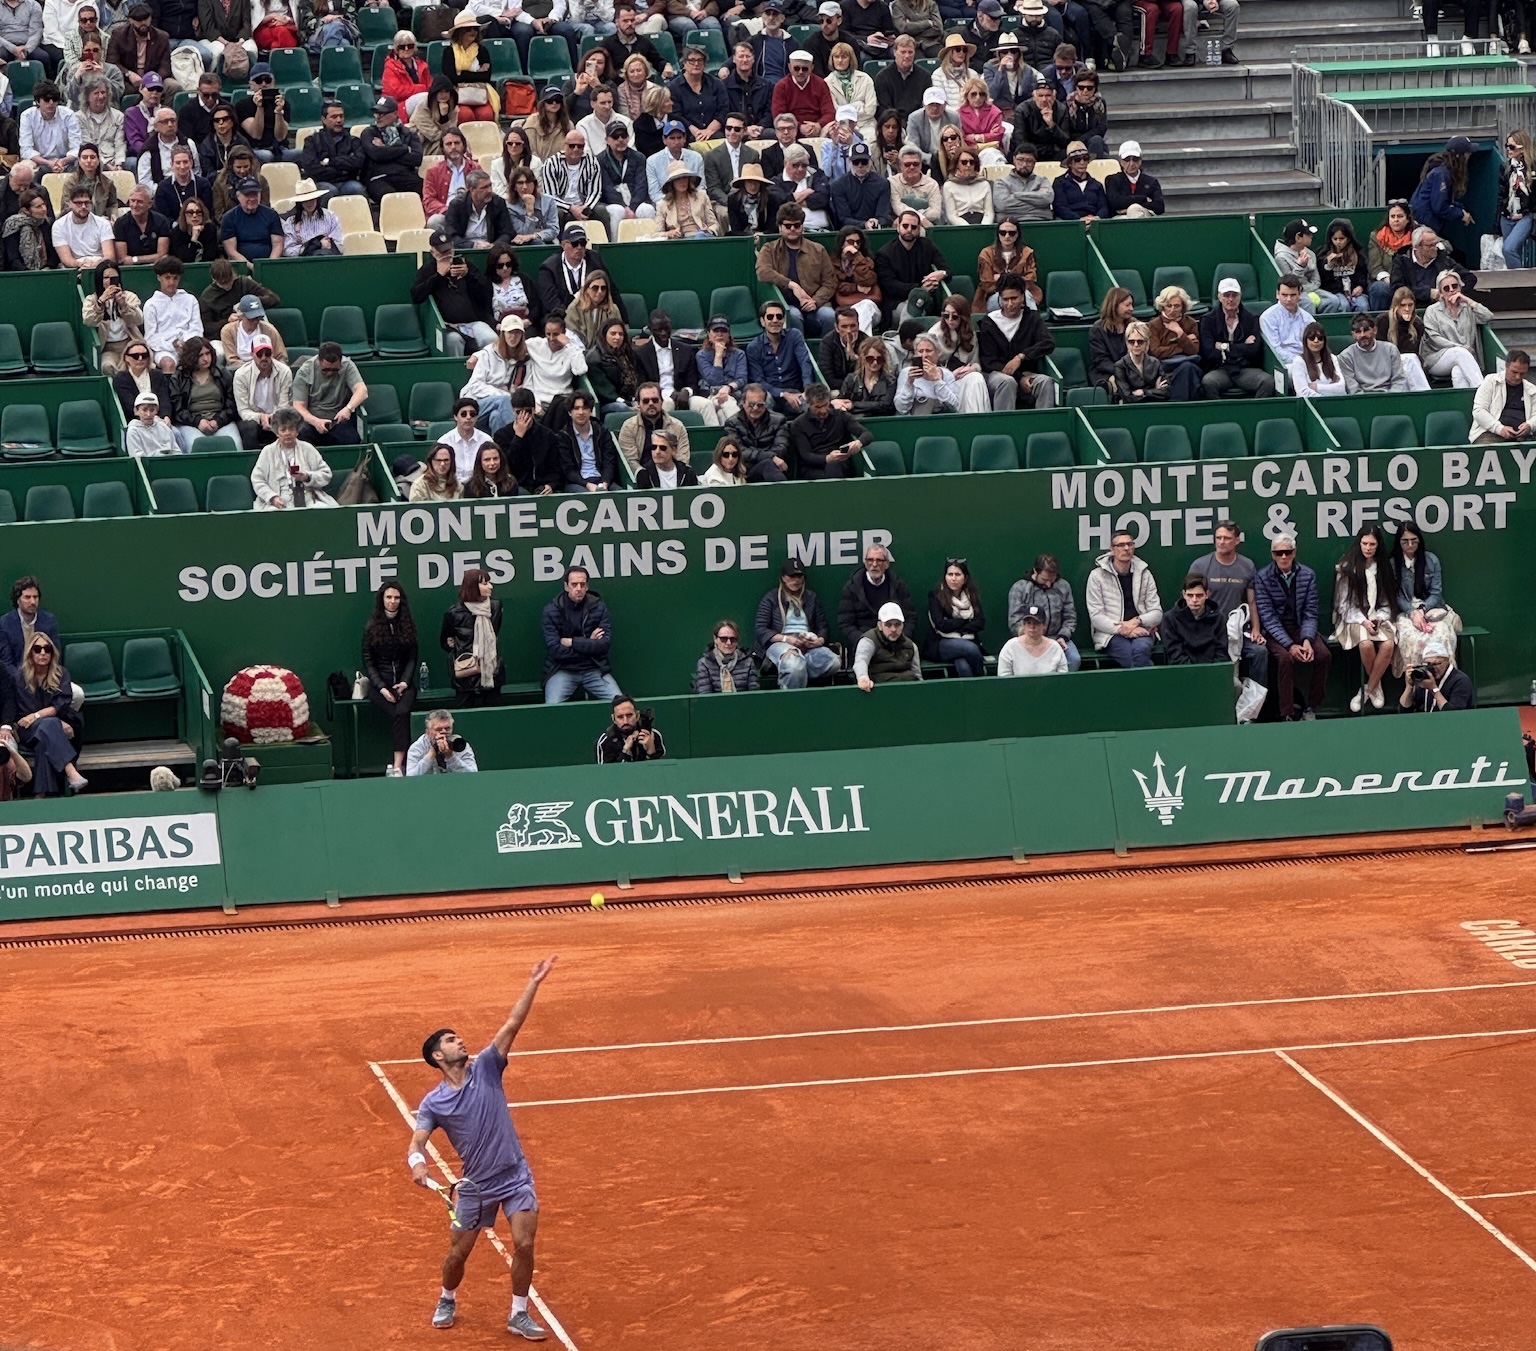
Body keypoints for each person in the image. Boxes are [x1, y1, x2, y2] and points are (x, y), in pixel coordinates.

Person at [408, 959, 558, 1338]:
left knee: (523, 1243)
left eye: (458, 1037)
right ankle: (447, 1296)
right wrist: (417, 1163)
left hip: (515, 1175)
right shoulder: (433, 1103)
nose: (460, 1041)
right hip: (475, 1187)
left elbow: (512, 1025)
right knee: (458, 1254)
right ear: (438, 1057)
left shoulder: (488, 1066)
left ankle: (518, 1313)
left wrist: (533, 983)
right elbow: (418, 1140)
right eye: (451, 1040)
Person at [1254, 533, 1331, 721]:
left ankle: (1311, 706)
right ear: (1272, 554)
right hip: (1275, 632)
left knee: (1323, 655)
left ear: (1294, 552)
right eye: (1278, 553)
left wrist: (1306, 640)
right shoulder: (1262, 577)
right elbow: (1268, 617)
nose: (1283, 557)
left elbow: (1310, 612)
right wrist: (1290, 645)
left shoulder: (1307, 574)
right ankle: (1286, 713)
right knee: (1285, 659)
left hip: (1300, 628)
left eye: (1287, 552)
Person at [1188, 518, 1268, 690]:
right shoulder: (1200, 565)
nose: (1221, 542)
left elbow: (1252, 600)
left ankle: (1254, 705)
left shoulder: (1247, 566)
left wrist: (1256, 629)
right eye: (1218, 538)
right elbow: (1191, 599)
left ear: (1237, 540)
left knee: (1260, 652)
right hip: (1209, 631)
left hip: (1239, 632)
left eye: (1226, 538)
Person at [1332, 524, 1397, 715]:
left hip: (1378, 616)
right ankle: (1376, 687)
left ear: (1378, 545)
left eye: (1372, 544)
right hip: (1353, 618)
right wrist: (1363, 620)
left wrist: (1379, 617)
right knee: (1366, 644)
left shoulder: (1384, 568)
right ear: (1359, 543)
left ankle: (1368, 689)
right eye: (1365, 543)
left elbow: (1387, 602)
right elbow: (1343, 604)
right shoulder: (1346, 567)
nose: (1368, 548)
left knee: (1388, 644)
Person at [14, 632, 87, 796]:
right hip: (28, 730)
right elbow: (27, 715)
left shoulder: (61, 674)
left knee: (45, 740)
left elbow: (61, 704)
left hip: (49, 728)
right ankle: (71, 771)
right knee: (49, 726)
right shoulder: (20, 677)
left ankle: (42, 794)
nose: (42, 653)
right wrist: (45, 719)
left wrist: (40, 716)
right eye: (37, 649)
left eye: (47, 649)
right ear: (30, 652)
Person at [1389, 516, 1460, 678]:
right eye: (1405, 541)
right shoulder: (1393, 564)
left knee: (1442, 634)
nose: (1410, 545)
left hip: (1432, 609)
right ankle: (1416, 683)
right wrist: (1412, 612)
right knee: (1411, 638)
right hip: (1406, 613)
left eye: (1414, 540)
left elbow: (1436, 593)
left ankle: (1443, 680)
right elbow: (1396, 596)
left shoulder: (1431, 560)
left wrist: (1422, 609)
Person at [362, 582, 420, 777]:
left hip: (405, 686)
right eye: (389, 597)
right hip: (380, 688)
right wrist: (381, 688)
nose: (392, 602)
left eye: (396, 598)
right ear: (382, 600)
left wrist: (404, 682)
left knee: (402, 713)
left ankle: (397, 765)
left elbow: (412, 658)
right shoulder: (372, 626)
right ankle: (404, 765)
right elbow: (368, 661)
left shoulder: (408, 625)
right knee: (398, 715)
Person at [976, 273, 1057, 410]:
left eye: (1014, 298)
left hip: (1027, 372)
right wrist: (1019, 378)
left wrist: (1021, 357)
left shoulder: (1032, 318)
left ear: (1023, 296)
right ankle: (1004, 426)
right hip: (997, 374)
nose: (1010, 304)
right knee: (1007, 382)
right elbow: (989, 361)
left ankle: (1045, 426)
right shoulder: (989, 323)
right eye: (1005, 299)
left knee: (1045, 382)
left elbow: (1047, 343)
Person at [755, 557, 839, 688]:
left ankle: (792, 672)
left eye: (799, 576)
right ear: (783, 577)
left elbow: (822, 626)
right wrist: (787, 639)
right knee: (794, 665)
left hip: (807, 643)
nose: (796, 580)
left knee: (833, 662)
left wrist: (818, 641)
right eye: (791, 576)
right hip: (781, 642)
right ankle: (790, 701)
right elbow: (761, 629)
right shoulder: (771, 598)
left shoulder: (811, 597)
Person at [542, 564, 619, 703]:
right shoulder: (551, 611)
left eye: (582, 584)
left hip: (594, 669)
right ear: (566, 586)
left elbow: (603, 645)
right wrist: (589, 643)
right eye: (574, 584)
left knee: (620, 704)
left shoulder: (599, 607)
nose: (579, 589)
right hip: (562, 670)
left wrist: (572, 642)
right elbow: (555, 651)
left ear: (587, 586)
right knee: (552, 708)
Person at [1086, 529, 1162, 668]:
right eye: (1121, 545)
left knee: (1140, 650)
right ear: (1112, 550)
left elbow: (1157, 612)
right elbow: (1096, 617)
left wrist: (1136, 622)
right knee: (1132, 657)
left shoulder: (1144, 574)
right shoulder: (1097, 576)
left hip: (1141, 630)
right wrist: (1123, 629)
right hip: (1110, 634)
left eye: (1130, 544)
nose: (1126, 548)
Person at [1199, 276, 1273, 398]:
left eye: (1234, 295)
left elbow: (1254, 350)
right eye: (1226, 295)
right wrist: (1243, 346)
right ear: (1219, 297)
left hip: (1244, 368)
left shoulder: (1251, 319)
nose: (1231, 299)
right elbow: (1209, 352)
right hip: (1220, 369)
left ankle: (1256, 414)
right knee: (1208, 382)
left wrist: (1224, 347)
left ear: (1240, 296)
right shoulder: (1208, 320)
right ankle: (1218, 415)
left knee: (1267, 382)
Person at [441, 567, 504, 706]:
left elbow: (495, 631)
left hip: (492, 673)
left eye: (489, 582)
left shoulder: (496, 607)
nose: (490, 586)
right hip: (466, 676)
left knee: (493, 716)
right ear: (473, 587)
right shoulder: (454, 613)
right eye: (485, 583)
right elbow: (445, 642)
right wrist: (464, 654)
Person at [251, 406, 336, 508]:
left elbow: (326, 474)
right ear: (277, 433)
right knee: (271, 514)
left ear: (297, 431)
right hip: (278, 501)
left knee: (322, 508)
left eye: (291, 429)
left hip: (308, 498)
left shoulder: (308, 448)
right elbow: (257, 479)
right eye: (283, 429)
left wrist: (307, 477)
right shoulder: (267, 452)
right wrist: (272, 497)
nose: (287, 433)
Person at [1007, 553, 1080, 671]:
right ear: (1036, 571)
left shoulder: (1063, 586)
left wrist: (1063, 636)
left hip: (1057, 638)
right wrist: (1033, 638)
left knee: (1074, 658)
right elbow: (1015, 620)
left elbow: (1070, 617)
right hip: (1030, 638)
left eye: (1052, 579)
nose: (1049, 584)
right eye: (1045, 579)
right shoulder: (1020, 588)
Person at [170, 335, 239, 453]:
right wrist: (198, 421)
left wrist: (218, 420)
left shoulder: (222, 373)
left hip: (220, 421)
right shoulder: (179, 377)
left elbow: (232, 405)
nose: (206, 358)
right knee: (195, 444)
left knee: (235, 443)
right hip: (191, 423)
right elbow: (177, 409)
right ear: (191, 357)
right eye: (200, 355)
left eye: (208, 354)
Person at [745, 297, 815, 415]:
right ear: (762, 321)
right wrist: (782, 394)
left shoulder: (794, 336)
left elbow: (805, 362)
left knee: (811, 407)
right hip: (769, 393)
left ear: (784, 320)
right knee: (762, 403)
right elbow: (759, 380)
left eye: (779, 316)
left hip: (795, 391)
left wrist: (807, 388)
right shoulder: (754, 347)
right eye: (770, 317)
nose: (775, 320)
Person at [1421, 269, 1489, 388]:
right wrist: (1460, 347)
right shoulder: (1432, 311)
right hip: (1438, 358)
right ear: (1441, 293)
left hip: (1466, 358)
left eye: (1455, 286)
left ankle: (1466, 403)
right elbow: (1434, 338)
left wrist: (1468, 300)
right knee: (1459, 353)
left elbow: (1487, 316)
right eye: (1446, 288)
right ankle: (1483, 391)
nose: (1452, 290)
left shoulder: (1467, 308)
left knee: (1458, 372)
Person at [838, 542, 912, 650]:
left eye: (879, 560)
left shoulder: (898, 586)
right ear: (865, 562)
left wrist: (898, 639)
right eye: (870, 560)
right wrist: (864, 642)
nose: (874, 564)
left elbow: (910, 618)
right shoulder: (852, 587)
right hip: (865, 645)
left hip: (895, 644)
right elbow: (845, 623)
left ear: (886, 564)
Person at [292, 342, 368, 446]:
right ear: (319, 360)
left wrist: (348, 408)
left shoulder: (347, 365)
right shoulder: (305, 370)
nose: (330, 373)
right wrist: (316, 422)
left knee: (351, 439)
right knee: (300, 437)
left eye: (334, 370)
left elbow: (362, 391)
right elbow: (298, 406)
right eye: (326, 370)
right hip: (311, 421)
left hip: (338, 420)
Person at [922, 557, 986, 677]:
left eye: (957, 574)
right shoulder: (936, 595)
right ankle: (982, 680)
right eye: (950, 574)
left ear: (965, 578)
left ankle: (972, 693)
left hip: (969, 639)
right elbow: (941, 625)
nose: (953, 578)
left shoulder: (972, 595)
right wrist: (967, 621)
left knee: (963, 666)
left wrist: (953, 623)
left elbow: (980, 622)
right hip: (941, 642)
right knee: (970, 649)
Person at [1387, 225, 1475, 309]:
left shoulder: (1443, 259)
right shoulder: (1402, 261)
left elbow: (1470, 278)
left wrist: (1456, 294)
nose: (1435, 248)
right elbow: (1397, 289)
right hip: (1412, 309)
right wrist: (1428, 293)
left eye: (1436, 244)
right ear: (1417, 247)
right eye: (1430, 246)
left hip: (1442, 310)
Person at [1273, 218, 1348, 315]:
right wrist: (1300, 266)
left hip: (1311, 289)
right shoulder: (1281, 257)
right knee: (1308, 303)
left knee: (1334, 301)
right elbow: (1289, 284)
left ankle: (1321, 327)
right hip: (1294, 293)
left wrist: (1309, 289)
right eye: (1308, 234)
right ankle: (1308, 329)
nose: (1311, 236)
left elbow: (1316, 281)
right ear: (1298, 238)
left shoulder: (1311, 254)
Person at [360, 95, 425, 206]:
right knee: (391, 199)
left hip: (405, 176)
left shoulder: (408, 133)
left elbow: (416, 159)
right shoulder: (369, 133)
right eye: (376, 113)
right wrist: (404, 149)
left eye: (382, 113)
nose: (378, 117)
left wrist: (385, 149)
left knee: (426, 189)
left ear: (395, 114)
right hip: (379, 178)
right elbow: (376, 155)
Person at [82, 258, 143, 376]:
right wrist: (101, 302)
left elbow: (138, 320)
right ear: (100, 280)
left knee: (141, 363)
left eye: (113, 277)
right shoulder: (92, 299)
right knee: (107, 366)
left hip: (129, 343)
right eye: (106, 278)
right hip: (108, 347)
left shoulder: (129, 297)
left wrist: (124, 305)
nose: (110, 281)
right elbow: (88, 320)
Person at [1409, 135, 1474, 246]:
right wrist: (1460, 214)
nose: (1470, 155)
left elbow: (1444, 201)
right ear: (1459, 155)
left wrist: (1460, 209)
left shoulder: (1443, 170)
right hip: (1423, 227)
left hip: (1425, 224)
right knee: (1445, 249)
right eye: (1468, 152)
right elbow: (1439, 207)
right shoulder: (1441, 174)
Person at [1112, 318, 1193, 403]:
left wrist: (1144, 392)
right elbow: (1128, 397)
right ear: (1126, 343)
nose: (1136, 345)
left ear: (1146, 343)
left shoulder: (1155, 363)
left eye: (1140, 342)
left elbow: (1166, 392)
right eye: (1131, 342)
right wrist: (1155, 391)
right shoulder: (1120, 366)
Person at [299, 100, 367, 201]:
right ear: (324, 119)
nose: (339, 120)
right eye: (334, 117)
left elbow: (358, 162)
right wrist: (342, 169)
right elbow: (311, 168)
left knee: (358, 189)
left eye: (341, 116)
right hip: (322, 182)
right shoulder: (312, 141)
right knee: (330, 191)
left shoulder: (353, 141)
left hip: (346, 181)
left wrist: (330, 162)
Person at [233, 334, 292, 448]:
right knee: (249, 428)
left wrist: (273, 418)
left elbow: (284, 405)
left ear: (273, 353)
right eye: (259, 354)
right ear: (252, 354)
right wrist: (260, 418)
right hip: (253, 420)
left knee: (291, 424)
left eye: (268, 353)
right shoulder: (241, 375)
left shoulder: (284, 371)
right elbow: (243, 410)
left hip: (278, 417)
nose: (264, 357)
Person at [723, 384, 791, 482]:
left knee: (768, 465)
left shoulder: (779, 420)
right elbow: (739, 450)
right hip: (745, 470)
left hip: (775, 467)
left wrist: (769, 458)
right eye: (751, 404)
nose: (755, 408)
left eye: (760, 405)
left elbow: (781, 447)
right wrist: (769, 456)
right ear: (743, 403)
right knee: (767, 463)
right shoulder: (732, 423)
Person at [441, 11, 500, 122]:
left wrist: (462, 74)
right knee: (465, 115)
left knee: (486, 115)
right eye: (468, 29)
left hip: (480, 94)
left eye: (475, 29)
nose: (473, 32)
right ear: (459, 32)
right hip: (458, 95)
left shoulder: (482, 51)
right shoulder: (449, 52)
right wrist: (477, 74)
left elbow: (486, 76)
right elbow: (451, 78)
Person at [559, 390, 622, 491]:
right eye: (576, 408)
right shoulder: (564, 436)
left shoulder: (602, 432)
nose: (581, 412)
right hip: (578, 483)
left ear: (590, 411)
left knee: (620, 494)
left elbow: (608, 462)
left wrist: (605, 483)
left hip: (602, 479)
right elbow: (568, 470)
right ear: (570, 412)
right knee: (587, 497)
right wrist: (588, 485)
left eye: (585, 408)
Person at [975, 219, 1040, 314]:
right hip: (994, 294)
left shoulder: (1027, 253)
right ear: (997, 234)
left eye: (1012, 233)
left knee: (1025, 296)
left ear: (1018, 234)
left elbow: (1030, 279)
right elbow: (987, 283)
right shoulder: (986, 254)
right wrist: (1016, 279)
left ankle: (1034, 324)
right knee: (1003, 299)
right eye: (1002, 233)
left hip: (1021, 293)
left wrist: (1001, 278)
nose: (1007, 236)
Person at [1161, 573, 1227, 665]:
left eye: (1199, 595)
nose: (1194, 600)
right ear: (1184, 594)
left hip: (1212, 673)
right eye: (1190, 595)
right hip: (1182, 672)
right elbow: (1174, 652)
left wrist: (1211, 672)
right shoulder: (1170, 619)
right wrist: (1194, 672)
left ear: (1207, 594)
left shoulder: (1219, 618)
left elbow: (1221, 651)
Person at [1338, 313, 1411, 395]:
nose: (1362, 335)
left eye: (1366, 330)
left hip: (1390, 397)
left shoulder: (1390, 349)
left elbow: (1399, 380)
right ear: (1353, 335)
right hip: (1362, 401)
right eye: (1358, 332)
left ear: (1375, 330)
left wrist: (1391, 398)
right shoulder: (1345, 357)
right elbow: (1352, 387)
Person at [1473, 348, 1536, 443]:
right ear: (1506, 367)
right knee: (1486, 447)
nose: (1518, 377)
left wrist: (1530, 425)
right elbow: (1478, 411)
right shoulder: (1490, 381)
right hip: (1490, 433)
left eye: (1522, 373)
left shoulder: (1531, 389)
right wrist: (1499, 428)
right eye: (1514, 372)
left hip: (1524, 436)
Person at [854, 601, 921, 689]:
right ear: (880, 625)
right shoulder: (868, 641)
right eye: (888, 625)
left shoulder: (911, 646)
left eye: (897, 625)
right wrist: (863, 678)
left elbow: (918, 675)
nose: (893, 629)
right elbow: (861, 661)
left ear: (903, 625)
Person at [1398, 638, 1475, 713]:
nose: (1433, 668)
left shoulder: (1461, 681)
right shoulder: (1423, 677)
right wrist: (1409, 687)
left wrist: (1434, 689)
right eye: (1428, 664)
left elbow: (1453, 714)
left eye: (1436, 664)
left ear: (1447, 661)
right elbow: (1404, 710)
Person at [220, 174, 284, 262]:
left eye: (255, 194)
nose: (252, 198)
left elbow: (278, 244)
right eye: (247, 195)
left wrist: (268, 265)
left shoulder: (271, 215)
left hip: (267, 265)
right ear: (238, 196)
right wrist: (253, 267)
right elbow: (231, 252)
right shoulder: (229, 218)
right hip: (241, 266)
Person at [695, 315, 746, 425]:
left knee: (722, 416)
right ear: (709, 334)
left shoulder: (739, 354)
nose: (719, 334)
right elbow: (714, 381)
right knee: (727, 401)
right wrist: (718, 356)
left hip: (733, 395)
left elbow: (742, 379)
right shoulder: (701, 355)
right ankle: (743, 429)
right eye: (715, 330)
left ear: (728, 335)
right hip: (710, 396)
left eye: (723, 331)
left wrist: (729, 387)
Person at [50, 180, 115, 266]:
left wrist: (95, 265)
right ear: (70, 204)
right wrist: (81, 265)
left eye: (87, 203)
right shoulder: (59, 225)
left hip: (100, 266)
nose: (83, 206)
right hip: (74, 268)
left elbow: (109, 256)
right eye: (78, 203)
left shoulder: (103, 223)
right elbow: (66, 259)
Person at [1367, 199, 1416, 308]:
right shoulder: (1377, 236)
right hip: (1387, 281)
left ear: (1408, 219)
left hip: (1411, 281)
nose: (1396, 220)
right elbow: (1375, 268)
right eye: (1393, 217)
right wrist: (1389, 279)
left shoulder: (1417, 234)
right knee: (1379, 289)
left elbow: (1445, 245)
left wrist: (1434, 244)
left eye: (1400, 216)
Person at [1258, 274, 1314, 368]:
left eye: (1293, 295)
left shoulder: (1308, 318)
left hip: (1307, 362)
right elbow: (1276, 350)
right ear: (1277, 294)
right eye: (1284, 295)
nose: (1288, 299)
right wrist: (1300, 361)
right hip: (1284, 365)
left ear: (1299, 294)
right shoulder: (1268, 317)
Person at [112, 341, 174, 422]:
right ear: (126, 358)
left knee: (176, 433)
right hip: (136, 422)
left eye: (144, 355)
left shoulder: (157, 375)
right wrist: (150, 417)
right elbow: (129, 405)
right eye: (135, 356)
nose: (140, 359)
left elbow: (164, 399)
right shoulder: (121, 378)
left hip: (160, 420)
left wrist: (166, 416)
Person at [997, 605, 1068, 676]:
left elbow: (1062, 678)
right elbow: (1004, 678)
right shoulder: (1010, 647)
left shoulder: (1055, 648)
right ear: (1024, 625)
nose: (1032, 627)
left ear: (1044, 625)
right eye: (1029, 623)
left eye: (1036, 623)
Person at [405, 708, 480, 775]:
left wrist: (450, 756)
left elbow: (472, 774)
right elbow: (411, 776)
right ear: (428, 732)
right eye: (438, 729)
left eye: (447, 728)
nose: (443, 732)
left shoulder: (459, 744)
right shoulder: (417, 747)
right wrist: (431, 755)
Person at [1318, 217, 1369, 313]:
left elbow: (1363, 274)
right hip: (1336, 292)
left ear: (1349, 238)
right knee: (1343, 306)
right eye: (1335, 239)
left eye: (1341, 238)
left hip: (1355, 291)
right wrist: (1328, 266)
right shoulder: (1323, 255)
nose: (1338, 242)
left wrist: (1361, 287)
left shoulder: (1358, 254)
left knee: (1362, 305)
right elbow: (1323, 281)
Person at [221, 293, 287, 368]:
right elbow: (232, 360)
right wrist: (251, 371)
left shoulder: (269, 330)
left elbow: (281, 357)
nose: (255, 321)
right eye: (251, 319)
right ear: (241, 316)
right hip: (239, 372)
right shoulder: (228, 331)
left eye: (258, 318)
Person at [1500, 129, 1534, 269]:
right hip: (1507, 215)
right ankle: (1517, 286)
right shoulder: (1506, 167)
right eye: (1507, 146)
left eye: (1512, 146)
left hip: (1525, 215)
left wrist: (1528, 210)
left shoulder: (1532, 167)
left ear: (1522, 148)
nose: (1508, 149)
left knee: (1508, 249)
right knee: (1514, 251)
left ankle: (1518, 285)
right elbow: (1501, 194)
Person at [694, 618, 758, 692]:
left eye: (733, 639)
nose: (728, 643)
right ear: (715, 639)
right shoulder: (704, 663)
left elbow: (753, 693)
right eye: (723, 639)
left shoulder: (748, 662)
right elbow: (704, 694)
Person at [595, 693, 665, 761]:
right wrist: (625, 751)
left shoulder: (653, 735)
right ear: (614, 719)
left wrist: (651, 751)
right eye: (620, 717)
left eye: (629, 715)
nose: (625, 721)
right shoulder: (605, 741)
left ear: (637, 715)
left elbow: (661, 770)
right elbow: (607, 772)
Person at [1, 189, 58, 271]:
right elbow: (12, 257)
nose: (44, 209)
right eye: (38, 207)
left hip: (46, 271)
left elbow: (53, 253)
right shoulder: (13, 225)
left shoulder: (46, 223)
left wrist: (48, 267)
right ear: (25, 210)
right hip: (20, 273)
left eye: (44, 205)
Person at [1053, 140, 1108, 221]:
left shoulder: (1096, 184)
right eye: (1077, 159)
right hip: (1070, 223)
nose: (1082, 162)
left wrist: (1097, 218)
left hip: (1095, 222)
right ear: (1070, 163)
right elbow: (1060, 207)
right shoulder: (1060, 182)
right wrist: (1079, 219)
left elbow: (1104, 207)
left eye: (1085, 158)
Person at [1289, 321, 1346, 398]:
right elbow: (1303, 392)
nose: (1316, 341)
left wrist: (1317, 387)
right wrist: (1326, 396)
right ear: (1306, 340)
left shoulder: (1332, 358)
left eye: (1320, 338)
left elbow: (1341, 388)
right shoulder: (1299, 361)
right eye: (1312, 338)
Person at [635, 426, 700, 488]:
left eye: (662, 448)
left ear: (674, 450)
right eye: (654, 447)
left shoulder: (687, 473)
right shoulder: (644, 474)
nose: (657, 451)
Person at [127, 386, 178, 455]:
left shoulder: (164, 427)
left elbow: (176, 450)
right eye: (144, 410)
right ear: (136, 411)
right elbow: (137, 457)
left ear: (157, 411)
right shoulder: (133, 431)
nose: (148, 414)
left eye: (152, 410)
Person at [169, 197, 219, 262]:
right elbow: (184, 260)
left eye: (199, 212)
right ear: (184, 215)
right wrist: (194, 239)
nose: (195, 215)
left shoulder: (210, 229)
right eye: (190, 212)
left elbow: (210, 257)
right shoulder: (177, 232)